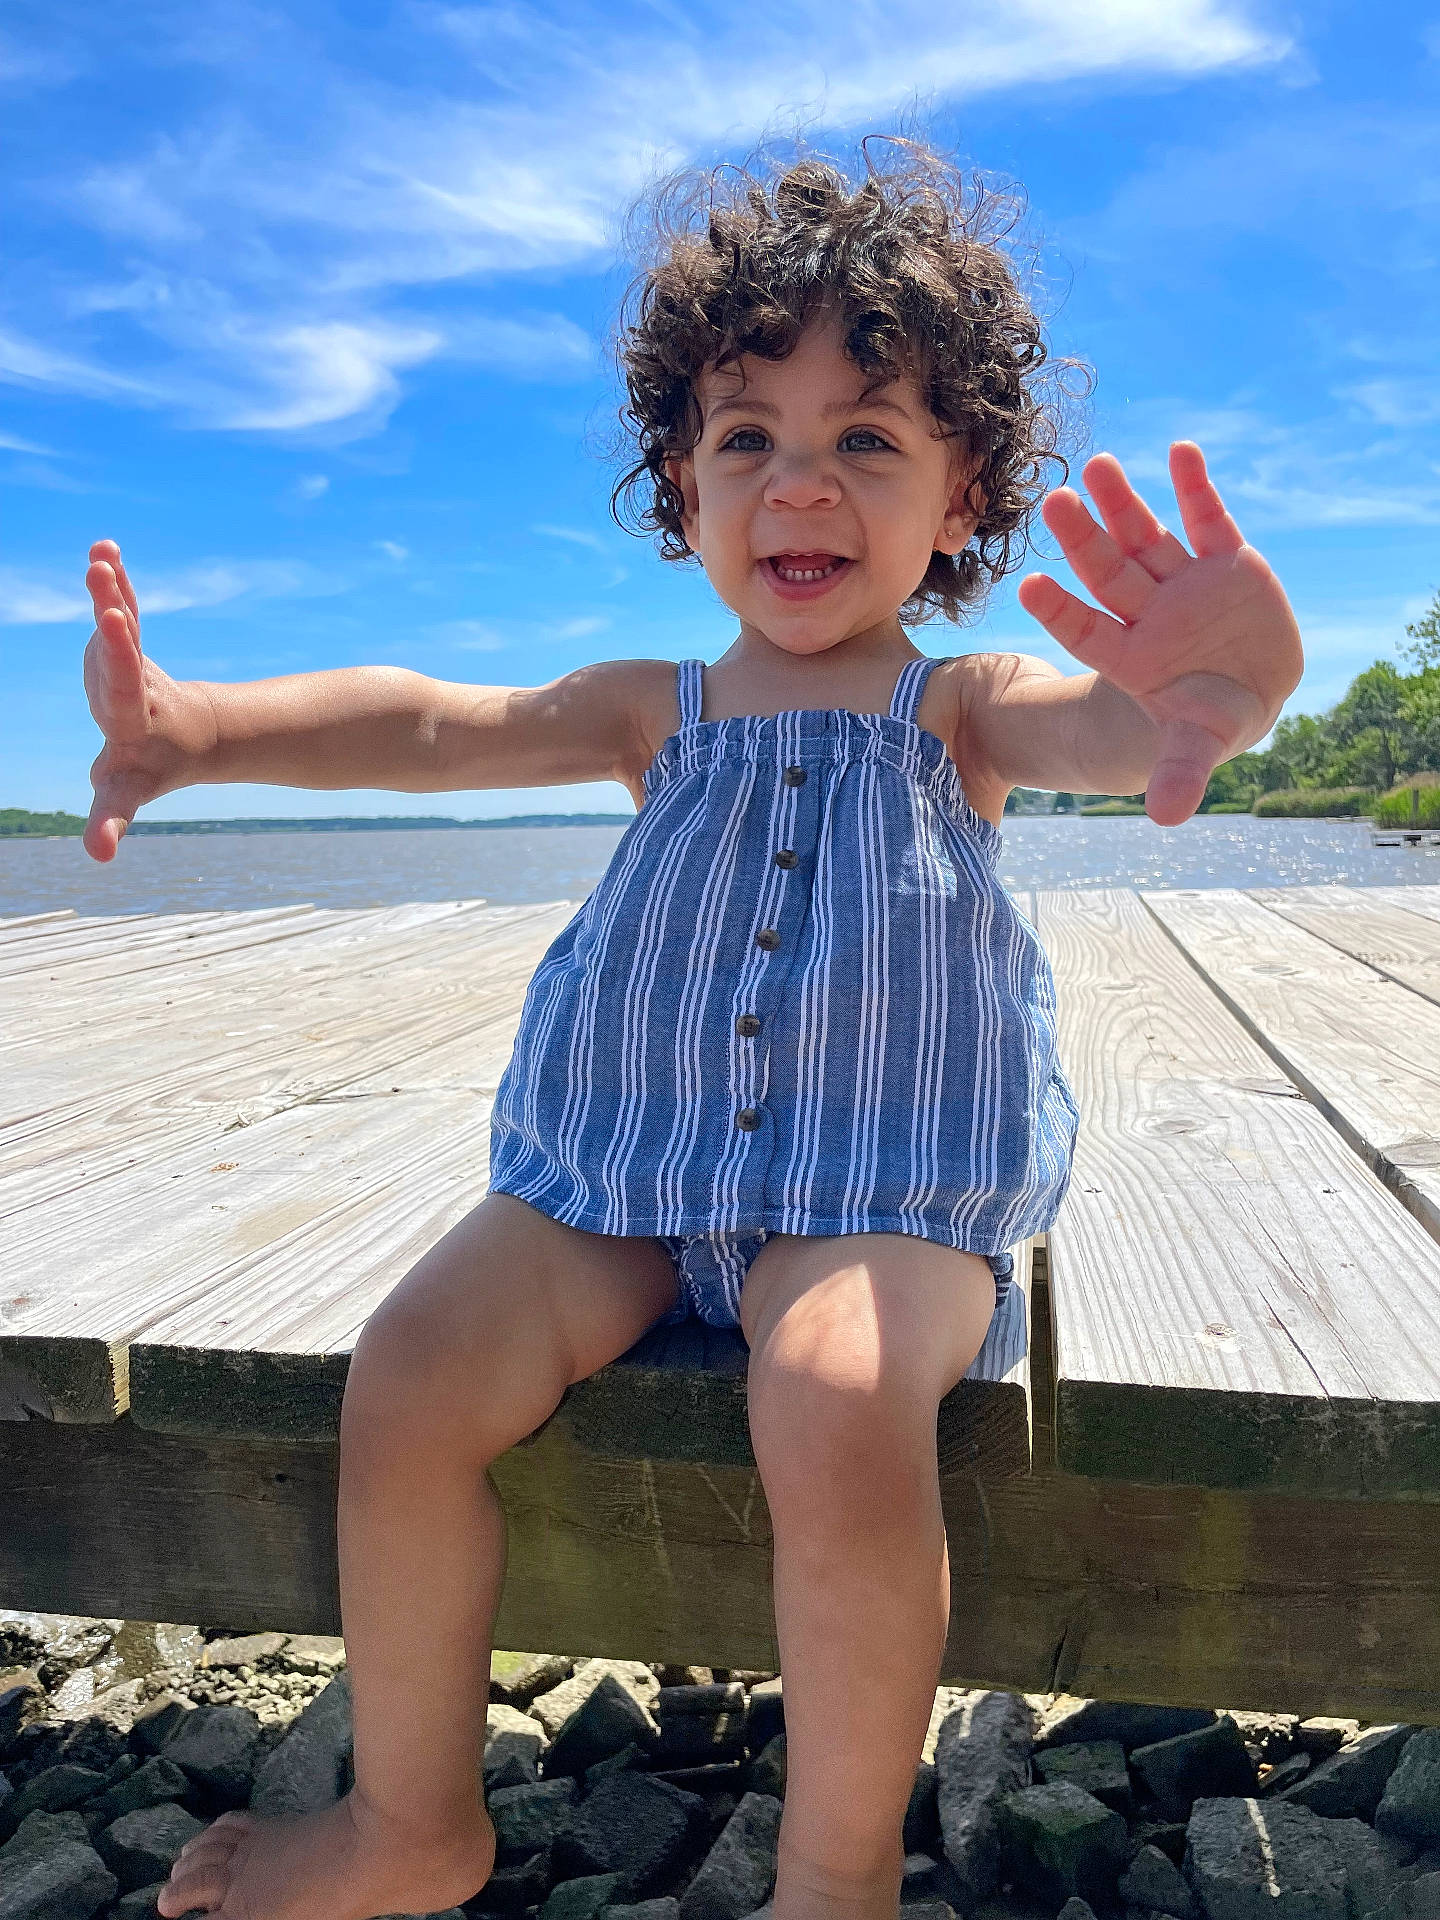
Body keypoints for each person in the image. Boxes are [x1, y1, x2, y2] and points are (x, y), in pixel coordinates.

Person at [81, 141, 1303, 1920]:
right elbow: (432, 726)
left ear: (962, 492)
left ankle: (834, 1878)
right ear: (683, 480)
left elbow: (1110, 731)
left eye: (865, 438)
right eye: (749, 436)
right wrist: (202, 731)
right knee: (408, 1371)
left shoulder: (960, 704)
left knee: (834, 1393)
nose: (799, 482)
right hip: (626, 1178)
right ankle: (410, 1819)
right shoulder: (650, 706)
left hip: (885, 1191)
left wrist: (1218, 687)